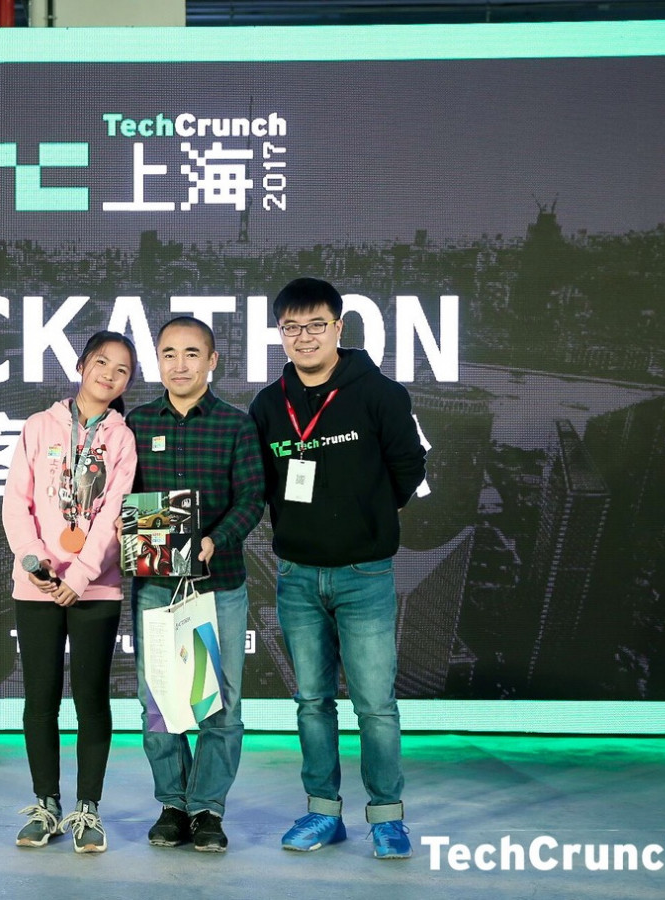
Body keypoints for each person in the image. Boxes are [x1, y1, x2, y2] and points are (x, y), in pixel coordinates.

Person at [248, 278, 426, 858]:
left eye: (316, 325)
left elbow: (408, 469)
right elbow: (260, 483)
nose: (304, 337)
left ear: (338, 327)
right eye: (292, 328)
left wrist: (367, 515)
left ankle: (387, 818)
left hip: (364, 573)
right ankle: (323, 812)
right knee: (312, 703)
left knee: (374, 706)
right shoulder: (268, 404)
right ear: (280, 333)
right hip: (297, 575)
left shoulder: (380, 393)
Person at [126, 316, 265, 853]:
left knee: (218, 703)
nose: (179, 364)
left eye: (191, 353)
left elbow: (251, 499)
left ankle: (208, 808)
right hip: (157, 587)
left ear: (212, 361)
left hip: (217, 585)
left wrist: (213, 540)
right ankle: (172, 803)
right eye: (168, 354)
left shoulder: (235, 425)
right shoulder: (137, 423)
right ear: (157, 361)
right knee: (159, 700)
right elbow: (121, 497)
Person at [2, 331, 139, 853]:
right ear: (82, 365)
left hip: (95, 587)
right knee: (39, 698)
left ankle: (88, 809)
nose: (109, 374)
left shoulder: (122, 439)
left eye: (122, 370)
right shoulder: (39, 426)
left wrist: (79, 576)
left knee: (91, 699)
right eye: (101, 362)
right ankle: (46, 804)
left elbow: (113, 514)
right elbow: (16, 502)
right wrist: (34, 561)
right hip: (36, 583)